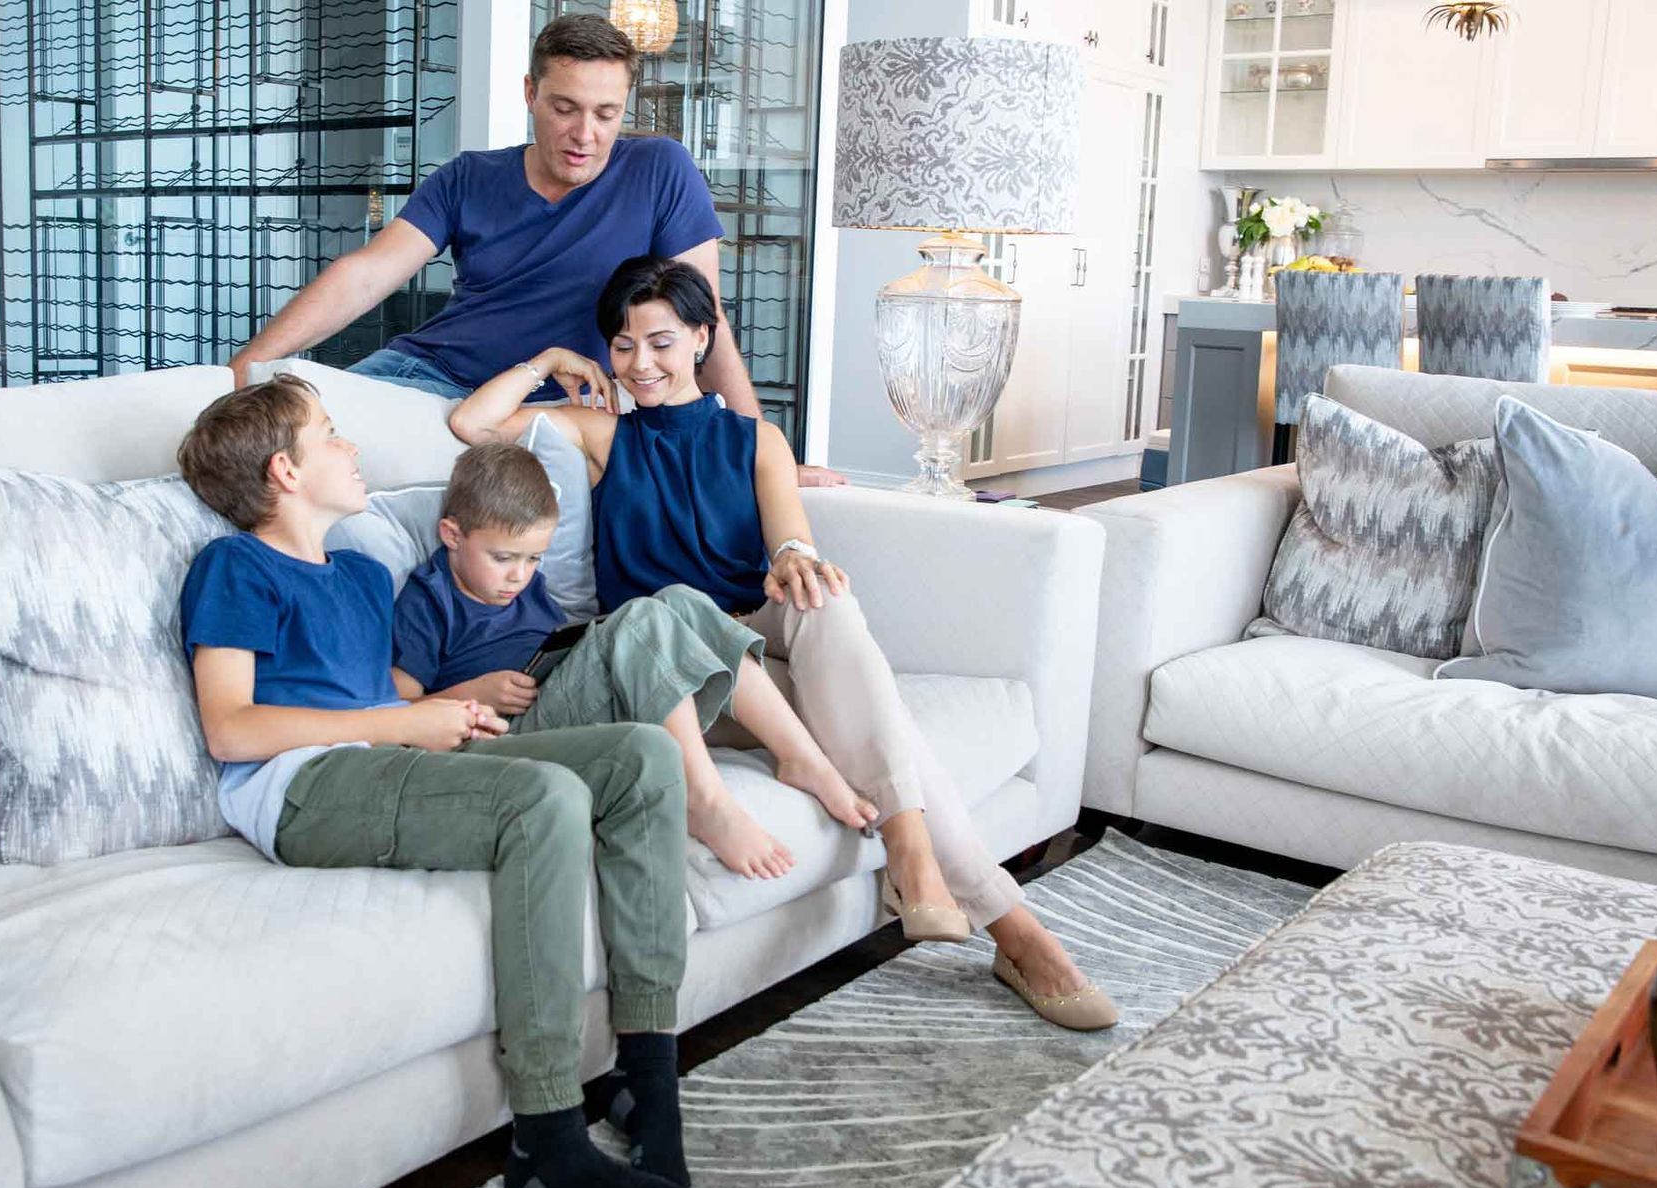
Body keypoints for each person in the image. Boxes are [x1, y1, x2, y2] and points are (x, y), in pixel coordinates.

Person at [446, 259, 1123, 1033]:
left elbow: (787, 537)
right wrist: (548, 364)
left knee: (823, 597)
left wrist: (796, 555)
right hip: (675, 672)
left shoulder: (758, 441)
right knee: (858, 709)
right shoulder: (603, 436)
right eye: (622, 347)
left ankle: (911, 851)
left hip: (758, 649)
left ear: (703, 338)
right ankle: (1018, 932)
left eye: (662, 343)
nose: (641, 366)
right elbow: (474, 426)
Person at [175, 373, 706, 1188]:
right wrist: (397, 724)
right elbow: (230, 728)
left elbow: (402, 691)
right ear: (284, 472)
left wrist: (438, 715)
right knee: (542, 796)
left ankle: (650, 1074)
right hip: (302, 789)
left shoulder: (356, 572)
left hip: (388, 763)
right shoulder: (233, 566)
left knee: (641, 754)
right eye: (332, 435)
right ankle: (546, 1137)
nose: (353, 448)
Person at [226, 12, 845, 486]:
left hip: (544, 405)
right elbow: (364, 275)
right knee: (267, 439)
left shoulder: (660, 169)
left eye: (606, 113)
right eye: (565, 108)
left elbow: (702, 322)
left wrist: (764, 455)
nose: (585, 135)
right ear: (530, 94)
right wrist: (245, 370)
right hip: (422, 372)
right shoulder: (468, 177)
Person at [389, 439, 876, 879]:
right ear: (452, 535)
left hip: (564, 699)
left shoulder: (525, 587)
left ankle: (801, 759)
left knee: (680, 599)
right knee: (642, 617)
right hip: (509, 734)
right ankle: (705, 802)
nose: (519, 576)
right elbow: (398, 711)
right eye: (503, 558)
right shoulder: (428, 601)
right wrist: (472, 694)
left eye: (533, 559)